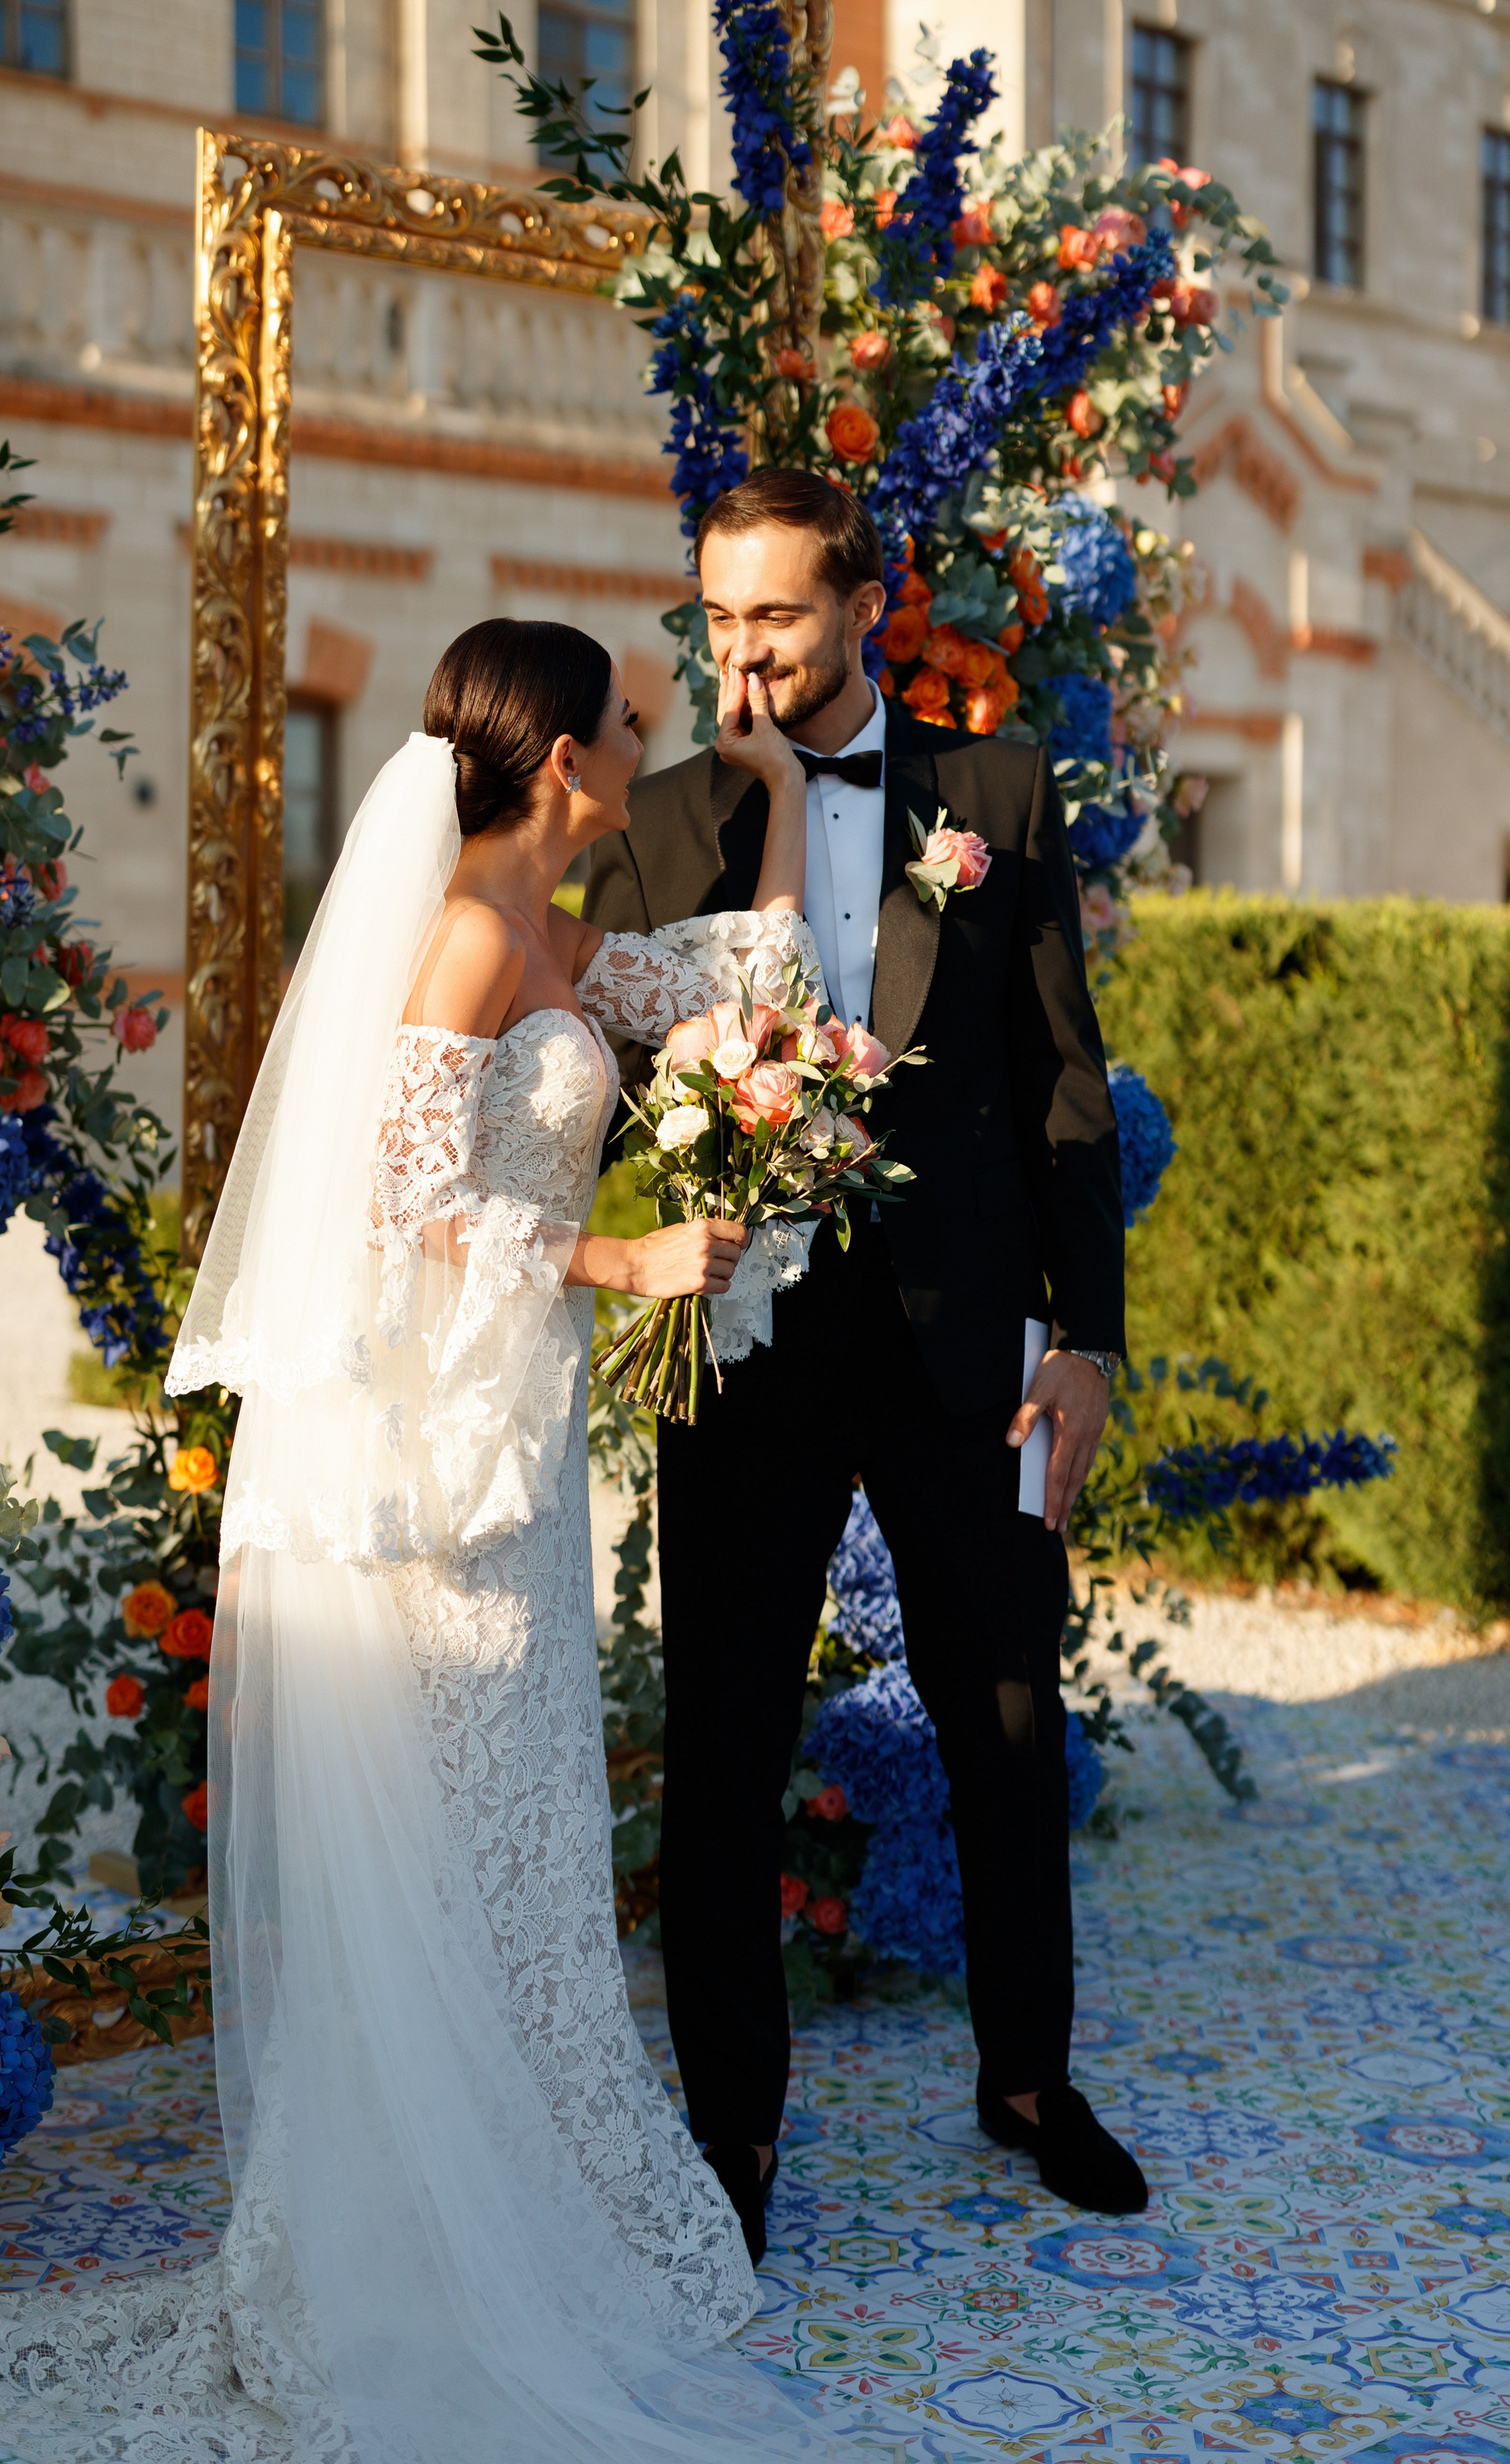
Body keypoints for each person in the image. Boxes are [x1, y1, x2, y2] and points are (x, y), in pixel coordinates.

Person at [0, 619, 839, 2464]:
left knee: (520, 1843)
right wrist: (623, 1258)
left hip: (518, 1447)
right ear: (563, 760)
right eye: (633, 718)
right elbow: (402, 1194)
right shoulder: (468, 935)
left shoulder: (554, 934)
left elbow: (741, 989)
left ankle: (523, 2207)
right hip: (438, 1470)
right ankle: (406, 2247)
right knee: (456, 1850)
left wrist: (775, 795)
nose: (653, 733)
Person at [583, 467, 1147, 2265]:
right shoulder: (663, 823)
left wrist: (1091, 1340)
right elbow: (580, 1087)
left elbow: (1064, 1086)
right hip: (744, 1344)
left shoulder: (992, 795)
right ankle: (730, 2134)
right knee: (727, 1738)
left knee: (1002, 1711)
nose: (742, 648)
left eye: (778, 614)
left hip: (960, 1341)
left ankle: (1031, 2083)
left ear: (866, 605)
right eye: (720, 615)